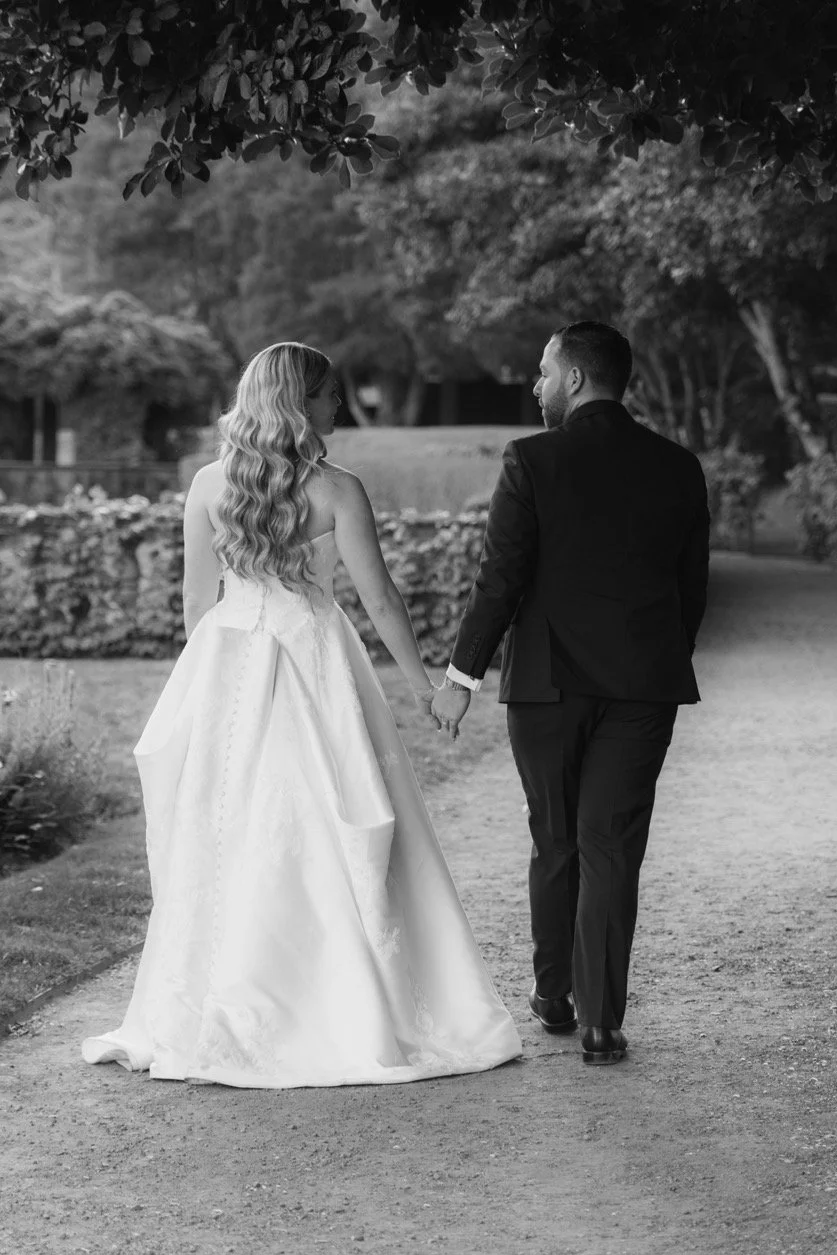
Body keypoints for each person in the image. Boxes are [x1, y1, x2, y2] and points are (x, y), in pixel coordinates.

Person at [82, 341, 521, 1088]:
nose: (337, 406)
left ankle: (223, 1003)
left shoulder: (207, 486)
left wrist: (213, 693)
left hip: (228, 666)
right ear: (298, 401)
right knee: (324, 819)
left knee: (232, 830)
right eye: (327, 395)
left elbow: (197, 607)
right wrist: (423, 685)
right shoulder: (338, 489)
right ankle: (336, 1000)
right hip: (316, 659)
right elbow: (378, 599)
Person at [432, 321, 710, 1065]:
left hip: (546, 687)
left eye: (544, 372)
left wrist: (462, 677)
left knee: (556, 841)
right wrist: (653, 661)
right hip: (642, 688)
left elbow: (502, 577)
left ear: (577, 379)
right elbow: (692, 592)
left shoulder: (531, 460)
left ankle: (553, 993)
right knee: (610, 847)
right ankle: (600, 1022)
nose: (535, 384)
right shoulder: (679, 467)